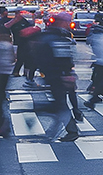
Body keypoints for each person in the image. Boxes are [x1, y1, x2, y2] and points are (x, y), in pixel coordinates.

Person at [33, 12, 79, 141]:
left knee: (60, 103)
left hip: (54, 75)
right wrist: (67, 73)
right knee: (60, 103)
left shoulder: (49, 36)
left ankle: (69, 130)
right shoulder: (61, 37)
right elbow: (65, 60)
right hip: (59, 75)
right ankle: (70, 129)